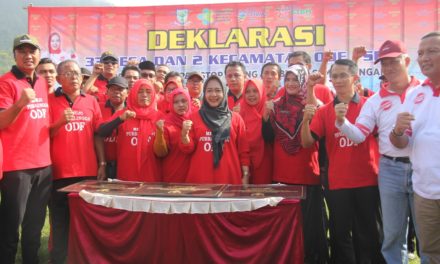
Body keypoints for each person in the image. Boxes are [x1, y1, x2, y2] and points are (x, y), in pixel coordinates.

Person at [334, 40, 424, 264]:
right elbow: (358, 135)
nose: (389, 68)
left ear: (407, 61)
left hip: (424, 167)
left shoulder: (425, 91)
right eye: (384, 64)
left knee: (427, 233)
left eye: (394, 61)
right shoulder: (375, 101)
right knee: (393, 235)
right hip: (390, 169)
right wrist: (342, 122)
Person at [301, 59, 384, 264]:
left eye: (342, 75)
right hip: (337, 183)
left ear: (355, 78)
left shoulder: (370, 105)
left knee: (369, 233)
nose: (337, 80)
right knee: (340, 235)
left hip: (368, 180)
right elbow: (306, 143)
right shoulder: (325, 111)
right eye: (334, 76)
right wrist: (305, 120)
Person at [262, 65, 328, 263]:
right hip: (282, 174)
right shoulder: (275, 106)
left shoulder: (316, 104)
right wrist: (266, 117)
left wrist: (310, 89)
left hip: (307, 174)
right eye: (288, 79)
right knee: (284, 227)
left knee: (309, 227)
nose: (291, 83)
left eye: (295, 79)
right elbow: (267, 137)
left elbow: (319, 134)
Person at [0, 34, 52, 264]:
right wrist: (20, 103)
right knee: (11, 225)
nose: (28, 55)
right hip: (17, 168)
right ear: (15, 55)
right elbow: (1, 121)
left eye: (32, 51)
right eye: (22, 51)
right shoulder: (6, 82)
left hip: (44, 165)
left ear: (39, 55)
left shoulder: (41, 82)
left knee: (35, 224)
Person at [48, 59, 105, 263]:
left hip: (87, 172)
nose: (74, 77)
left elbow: (97, 134)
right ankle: (59, 258)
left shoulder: (91, 101)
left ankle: (85, 258)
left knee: (87, 221)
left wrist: (102, 163)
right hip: (60, 173)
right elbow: (45, 134)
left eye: (77, 73)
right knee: (61, 221)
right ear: (59, 77)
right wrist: (60, 122)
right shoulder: (49, 100)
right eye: (69, 73)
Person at [390, 31, 440, 263]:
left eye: (432, 51)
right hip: (425, 192)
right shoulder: (416, 95)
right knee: (429, 252)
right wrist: (397, 131)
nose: (424, 57)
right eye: (421, 53)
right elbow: (402, 142)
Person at [181, 75, 250, 184]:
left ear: (224, 92)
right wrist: (184, 135)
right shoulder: (194, 118)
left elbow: (243, 152)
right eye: (209, 91)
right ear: (204, 93)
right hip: (201, 178)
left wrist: (245, 175)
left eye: (218, 90)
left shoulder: (236, 118)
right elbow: (188, 149)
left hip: (229, 177)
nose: (213, 95)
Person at [98, 79, 163, 182]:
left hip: (153, 175)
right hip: (127, 175)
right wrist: (120, 119)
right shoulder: (124, 114)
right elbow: (101, 132)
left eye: (148, 91)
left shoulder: (161, 117)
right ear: (133, 94)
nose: (144, 95)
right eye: (140, 92)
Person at [154, 88, 192, 182]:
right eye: (176, 102)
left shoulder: (196, 120)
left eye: (184, 101)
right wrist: (159, 133)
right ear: (171, 104)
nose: (180, 105)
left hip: (193, 174)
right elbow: (160, 153)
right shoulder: (166, 124)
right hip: (173, 175)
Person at [239, 79, 272, 184]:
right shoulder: (239, 112)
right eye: (247, 91)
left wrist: (266, 119)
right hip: (244, 163)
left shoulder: (269, 110)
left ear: (261, 92)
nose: (251, 95)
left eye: (255, 91)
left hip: (266, 162)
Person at [100, 76, 129, 179]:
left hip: (125, 164)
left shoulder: (131, 111)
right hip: (103, 163)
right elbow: (99, 133)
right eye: (112, 89)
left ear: (127, 93)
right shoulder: (99, 107)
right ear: (107, 92)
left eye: (120, 89)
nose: (116, 92)